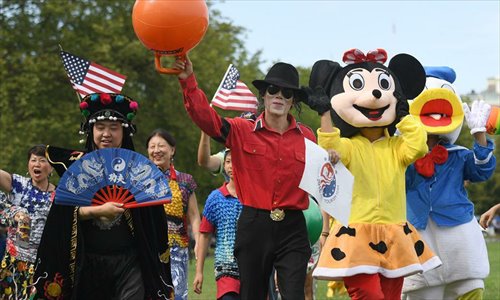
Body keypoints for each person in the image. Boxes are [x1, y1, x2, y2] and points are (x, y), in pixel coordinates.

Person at [174, 55, 316, 299]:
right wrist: (188, 81)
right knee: (252, 294)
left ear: (293, 101)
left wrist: (333, 155)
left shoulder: (308, 137)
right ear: (263, 95)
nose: (279, 96)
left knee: (294, 294)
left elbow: (326, 179)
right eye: (273, 89)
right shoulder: (241, 130)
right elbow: (207, 120)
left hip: (293, 226)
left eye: (287, 92)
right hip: (254, 223)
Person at [306, 49, 441, 299]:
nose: (375, 95)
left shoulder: (396, 147)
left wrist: (403, 115)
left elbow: (419, 145)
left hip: (394, 234)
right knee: (369, 295)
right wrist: (325, 113)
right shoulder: (350, 146)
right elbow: (330, 148)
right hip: (355, 235)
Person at [33, 93, 174, 299]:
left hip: (131, 263)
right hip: (87, 264)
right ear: (91, 131)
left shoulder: (139, 171)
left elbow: (154, 225)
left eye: (114, 128)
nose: (106, 134)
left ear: (124, 133)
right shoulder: (75, 169)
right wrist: (93, 211)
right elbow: (59, 218)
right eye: (100, 128)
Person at [403, 67, 495, 300]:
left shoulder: (459, 154)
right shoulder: (401, 157)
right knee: (426, 292)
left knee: (469, 287)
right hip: (419, 236)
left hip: (460, 238)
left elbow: (483, 171)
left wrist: (479, 136)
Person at [147, 128, 200, 300]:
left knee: (176, 296)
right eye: (152, 146)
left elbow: (194, 216)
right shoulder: (139, 180)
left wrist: (199, 242)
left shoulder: (185, 180)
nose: (156, 151)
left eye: (161, 146)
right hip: (148, 248)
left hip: (177, 251)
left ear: (172, 150)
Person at [0, 144, 55, 298]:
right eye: (33, 160)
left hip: (42, 264)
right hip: (13, 262)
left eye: (43, 160)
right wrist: (13, 212)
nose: (37, 164)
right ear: (28, 164)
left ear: (51, 168)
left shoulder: (58, 196)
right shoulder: (19, 184)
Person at [193, 149, 243, 299]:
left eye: (237, 161)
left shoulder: (256, 196)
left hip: (254, 270)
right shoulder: (215, 199)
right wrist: (199, 271)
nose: (231, 166)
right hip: (226, 271)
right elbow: (205, 235)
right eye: (228, 162)